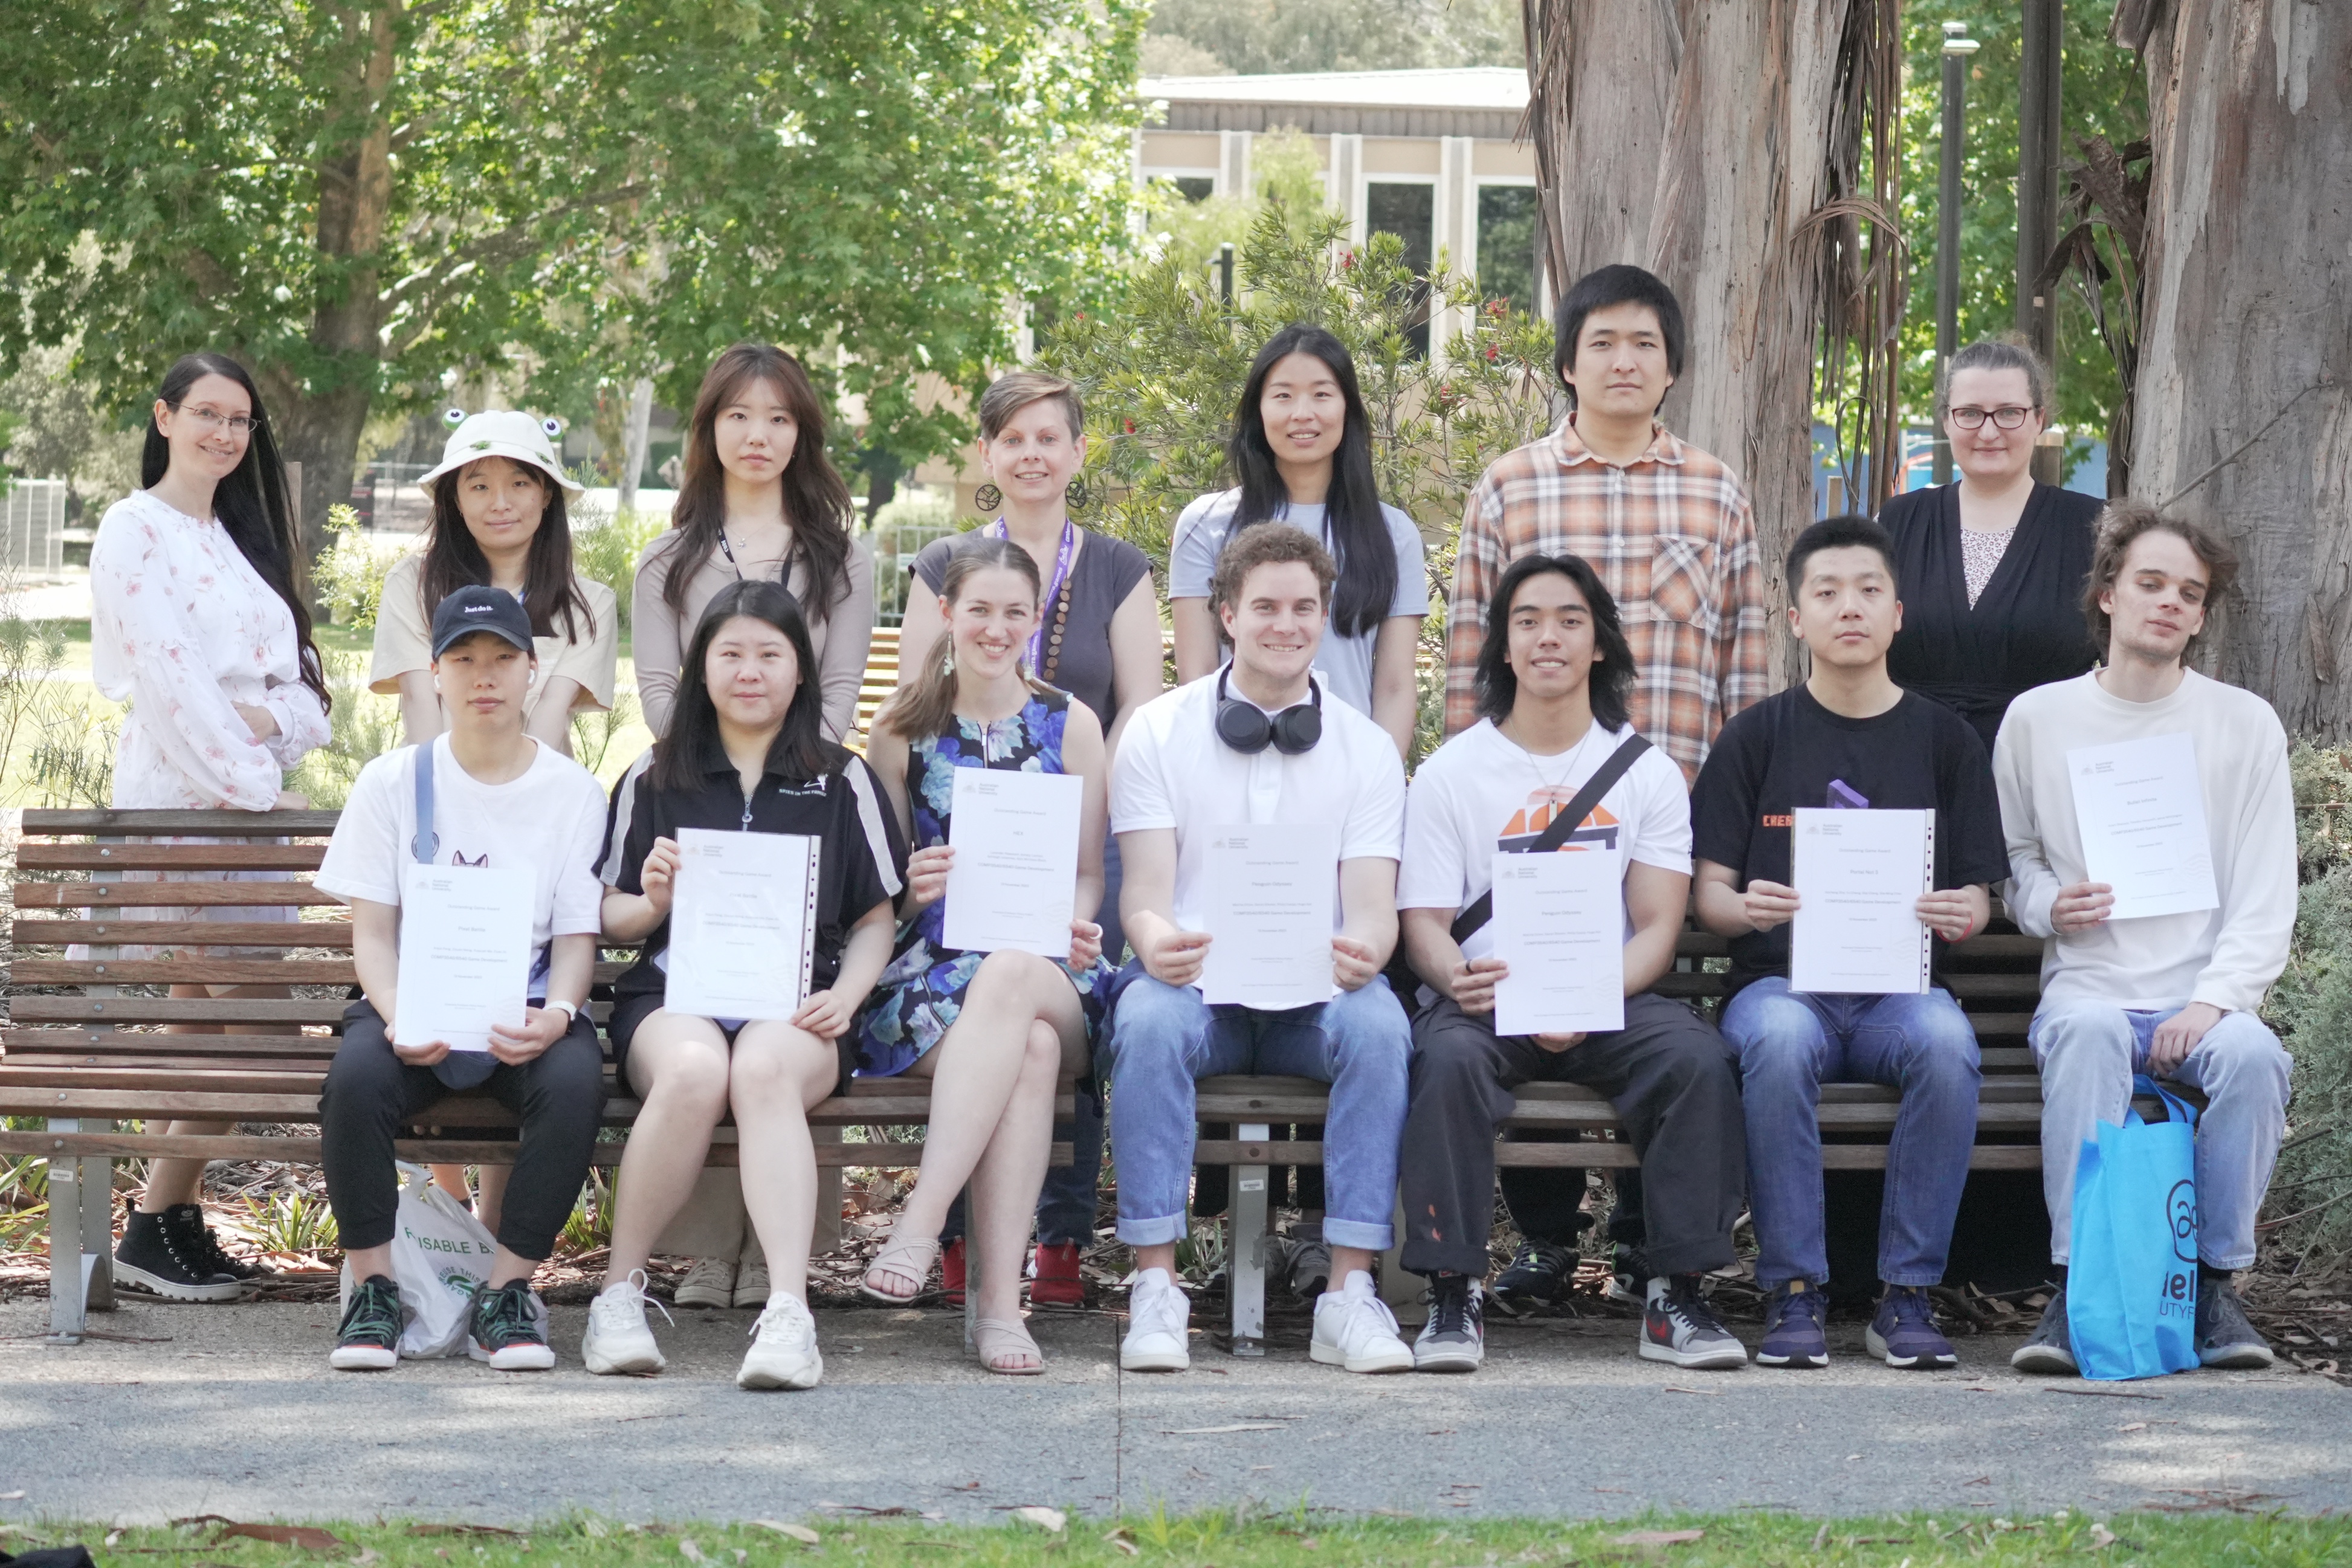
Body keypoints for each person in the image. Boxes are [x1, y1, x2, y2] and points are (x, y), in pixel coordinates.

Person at [1440, 263, 1771, 1310]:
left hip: (1660, 824)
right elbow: (1466, 657)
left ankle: (1641, 1242)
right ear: (1569, 360)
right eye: (1602, 343)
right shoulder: (1512, 484)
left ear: (1671, 367)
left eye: (1644, 344)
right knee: (1517, 1011)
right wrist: (1471, 786)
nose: (1623, 361)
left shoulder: (1714, 489)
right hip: (1527, 822)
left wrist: (1733, 811)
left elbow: (1747, 660)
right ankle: (1541, 1241)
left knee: (1652, 1025)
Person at [1398, 552, 1748, 1373]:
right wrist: (1455, 976)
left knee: (1698, 1058)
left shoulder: (1648, 773)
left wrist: (1589, 996)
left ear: (1598, 644)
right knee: (1443, 1058)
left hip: (1611, 995)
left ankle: (1676, 1293)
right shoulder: (1451, 772)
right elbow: (1424, 920)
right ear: (1504, 645)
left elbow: (1659, 924)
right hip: (1488, 995)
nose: (1547, 636)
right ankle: (1453, 1289)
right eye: (1527, 621)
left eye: (1568, 619)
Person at [1691, 516, 2010, 1370]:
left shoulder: (1946, 740)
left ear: (1898, 612)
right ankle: (1794, 1290)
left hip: (1898, 993)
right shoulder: (1755, 736)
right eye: (1826, 592)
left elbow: (1978, 893)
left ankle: (1905, 1294)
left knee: (1948, 1044)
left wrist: (1963, 912)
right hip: (1781, 984)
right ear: (1795, 617)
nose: (1849, 608)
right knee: (1782, 1038)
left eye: (1868, 590)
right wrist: (1744, 907)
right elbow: (1708, 893)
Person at [1103, 524, 1415, 1376]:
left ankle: (1349, 1292)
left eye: (1305, 607)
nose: (1287, 623)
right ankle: (1157, 1284)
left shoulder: (1366, 750)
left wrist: (1369, 949)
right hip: (1197, 990)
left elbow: (1375, 905)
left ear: (1326, 616)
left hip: (1313, 1002)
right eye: (1267, 606)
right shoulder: (1159, 732)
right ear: (1229, 614)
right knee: (1149, 1020)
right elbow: (1143, 894)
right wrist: (1157, 939)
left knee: (1382, 1026)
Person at [581, 580, 903, 1389]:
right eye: (730, 652)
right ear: (701, 667)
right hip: (674, 995)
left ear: (801, 672)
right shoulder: (655, 777)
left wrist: (850, 995)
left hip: (801, 999)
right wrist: (649, 900)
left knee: (762, 1068)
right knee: (694, 1070)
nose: (749, 670)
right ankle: (616, 1297)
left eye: (770, 653)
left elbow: (874, 919)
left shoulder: (842, 780)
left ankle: (789, 1314)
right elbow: (607, 911)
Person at [1997, 503, 2294, 1375]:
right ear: (2107, 596)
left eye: (2188, 592)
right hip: (2090, 988)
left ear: (2201, 616)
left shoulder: (2243, 725)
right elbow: (2014, 863)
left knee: (2254, 1058)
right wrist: (2055, 903)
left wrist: (2212, 1001)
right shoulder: (2038, 721)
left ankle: (2211, 1288)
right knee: (2088, 1036)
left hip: (2200, 992)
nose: (2168, 602)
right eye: (2150, 583)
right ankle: (2075, 1284)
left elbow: (2266, 893)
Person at [896, 372, 1160, 1308]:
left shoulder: (1119, 567)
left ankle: (1054, 1240)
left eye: (1052, 437)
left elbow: (1140, 702)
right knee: (1027, 1044)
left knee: (1044, 992)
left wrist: (1074, 787)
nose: (1034, 453)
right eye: (1014, 438)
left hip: (1081, 829)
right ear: (987, 454)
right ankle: (967, 1251)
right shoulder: (945, 564)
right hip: (953, 877)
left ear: (1080, 451)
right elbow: (915, 717)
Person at [632, 343, 877, 1306]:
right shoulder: (670, 555)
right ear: (710, 430)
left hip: (803, 802)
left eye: (778, 418)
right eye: (739, 415)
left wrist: (782, 770)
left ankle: (773, 1258)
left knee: (779, 1022)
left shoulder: (839, 555)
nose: (759, 435)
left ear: (801, 432)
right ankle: (705, 1249)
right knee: (706, 1009)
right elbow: (660, 689)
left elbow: (844, 684)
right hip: (698, 797)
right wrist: (715, 765)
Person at [314, 587, 609, 1371]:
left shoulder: (572, 793)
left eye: (503, 658)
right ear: (437, 673)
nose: (485, 676)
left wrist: (560, 1012)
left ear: (532, 671)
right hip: (411, 998)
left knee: (577, 1079)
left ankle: (506, 1295)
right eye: (465, 659)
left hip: (525, 1007)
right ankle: (376, 1291)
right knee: (356, 1077)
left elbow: (578, 937)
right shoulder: (392, 781)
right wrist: (398, 1012)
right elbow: (373, 934)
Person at [94, 351, 332, 1303]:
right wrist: (257, 778)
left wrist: (272, 728)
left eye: (241, 420)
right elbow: (170, 686)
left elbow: (311, 698)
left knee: (209, 1029)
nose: (225, 434)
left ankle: (159, 1223)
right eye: (206, 414)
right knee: (254, 1034)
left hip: (252, 826)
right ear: (164, 416)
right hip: (189, 812)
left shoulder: (242, 538)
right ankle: (158, 1221)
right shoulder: (133, 529)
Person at [853, 537, 1111, 1372]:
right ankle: (1003, 1309)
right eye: (979, 610)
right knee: (1028, 1052)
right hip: (933, 973)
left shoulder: (1073, 725)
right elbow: (877, 892)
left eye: (1014, 613)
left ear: (1035, 621)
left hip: (1049, 969)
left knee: (1015, 977)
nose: (996, 628)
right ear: (945, 614)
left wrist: (1075, 925)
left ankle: (920, 1224)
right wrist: (912, 889)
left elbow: (1084, 876)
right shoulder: (899, 732)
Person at [369, 408, 618, 1225]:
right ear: (451, 494)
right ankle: (445, 1217)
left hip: (536, 834)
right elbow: (419, 714)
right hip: (432, 821)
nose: (498, 499)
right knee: (444, 1003)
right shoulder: (412, 584)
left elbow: (540, 737)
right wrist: (440, 836)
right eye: (477, 482)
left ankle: (499, 1228)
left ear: (548, 495)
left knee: (515, 1023)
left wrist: (504, 817)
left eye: (519, 481)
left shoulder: (586, 604)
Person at [1169, 324, 1427, 758]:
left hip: (1348, 771)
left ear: (1347, 407)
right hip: (1232, 761)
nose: (1302, 413)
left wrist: (1381, 782)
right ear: (1259, 410)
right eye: (1284, 395)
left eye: (1322, 394)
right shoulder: (1205, 524)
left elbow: (1396, 684)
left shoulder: (1392, 533)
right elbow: (1197, 674)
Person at [1878, 340, 2105, 755]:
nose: (1988, 431)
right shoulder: (1896, 523)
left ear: (2039, 419)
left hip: (2044, 771)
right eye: (1969, 413)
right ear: (1946, 421)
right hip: (1909, 765)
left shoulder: (2093, 530)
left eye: (2008, 413)